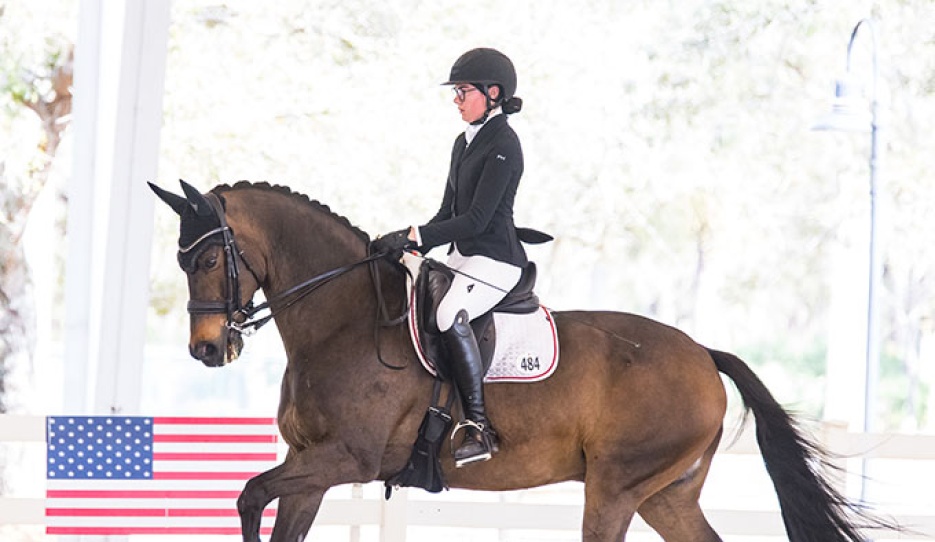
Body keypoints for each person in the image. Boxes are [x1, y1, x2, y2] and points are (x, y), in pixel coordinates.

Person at [372, 47, 529, 467]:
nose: (456, 100)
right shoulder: (464, 143)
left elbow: (477, 219)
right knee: (413, 297)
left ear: (492, 93)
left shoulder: (504, 145)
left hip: (496, 260)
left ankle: (478, 425)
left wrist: (415, 235)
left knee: (447, 314)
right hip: (465, 254)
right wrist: (411, 244)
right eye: (456, 92)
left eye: (463, 91)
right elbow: (448, 214)